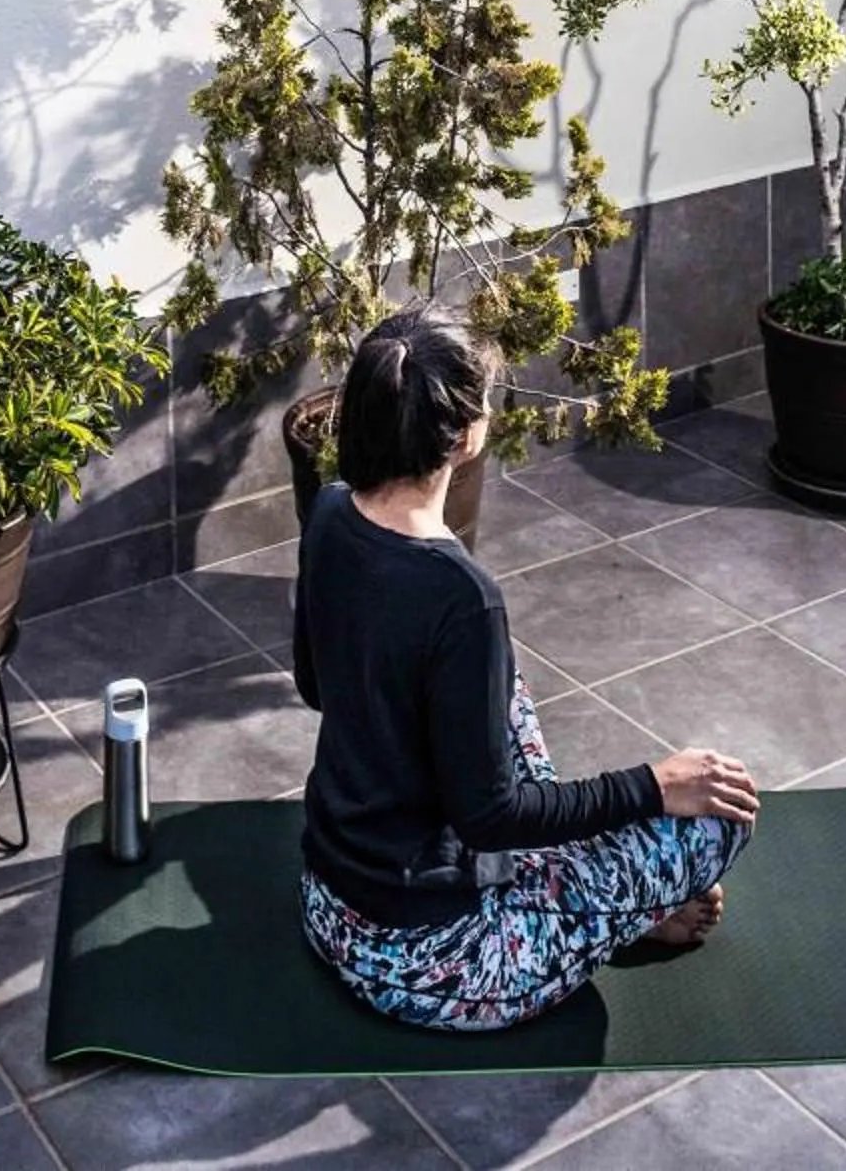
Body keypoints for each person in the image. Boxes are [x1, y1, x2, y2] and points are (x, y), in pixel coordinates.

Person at [291, 304, 759, 1030]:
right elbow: (493, 817)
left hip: (331, 908)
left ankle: (608, 908)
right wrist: (654, 787)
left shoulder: (326, 514)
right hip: (436, 963)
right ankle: (622, 913)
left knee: (496, 691)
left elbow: (316, 685)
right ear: (470, 434)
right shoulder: (461, 597)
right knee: (720, 813)